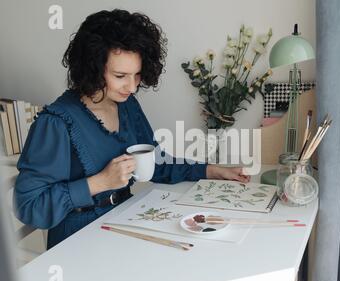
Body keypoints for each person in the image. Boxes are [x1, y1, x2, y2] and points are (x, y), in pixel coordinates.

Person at [13, 9, 250, 249]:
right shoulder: (56, 122)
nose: (132, 86)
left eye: (137, 75)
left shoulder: (127, 106)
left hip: (124, 219)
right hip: (78, 240)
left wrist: (211, 170)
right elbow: (29, 206)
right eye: (120, 75)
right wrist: (100, 182)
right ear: (92, 69)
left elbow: (156, 161)